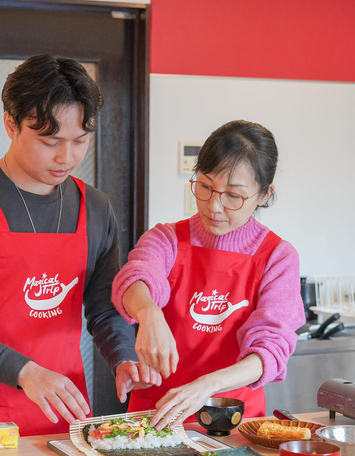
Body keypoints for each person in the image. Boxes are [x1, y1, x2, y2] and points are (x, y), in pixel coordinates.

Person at [0, 55, 155, 436]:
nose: (67, 157)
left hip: (63, 415)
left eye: (80, 141)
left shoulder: (94, 206)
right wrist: (26, 373)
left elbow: (104, 309)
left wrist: (123, 357)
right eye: (50, 141)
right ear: (11, 123)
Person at [112, 120, 305, 429]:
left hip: (232, 418)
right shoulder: (168, 238)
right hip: (156, 415)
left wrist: (204, 387)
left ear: (264, 194)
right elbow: (137, 277)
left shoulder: (277, 257)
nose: (214, 206)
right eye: (205, 187)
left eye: (233, 195)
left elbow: (270, 350)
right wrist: (148, 314)